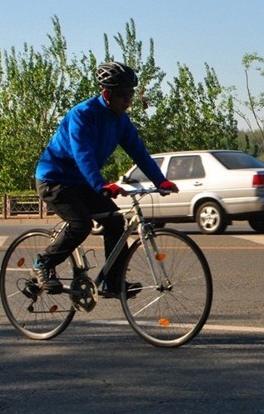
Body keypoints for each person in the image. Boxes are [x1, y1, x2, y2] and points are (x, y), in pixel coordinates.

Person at [33, 61, 178, 297]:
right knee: (82, 225)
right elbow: (83, 154)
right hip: (55, 180)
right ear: (106, 94)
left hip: (81, 182)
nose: (128, 101)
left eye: (131, 94)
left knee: (115, 223)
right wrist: (100, 185)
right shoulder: (83, 114)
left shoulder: (121, 121)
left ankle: (112, 282)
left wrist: (160, 181)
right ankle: (44, 264)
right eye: (123, 95)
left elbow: (139, 152)